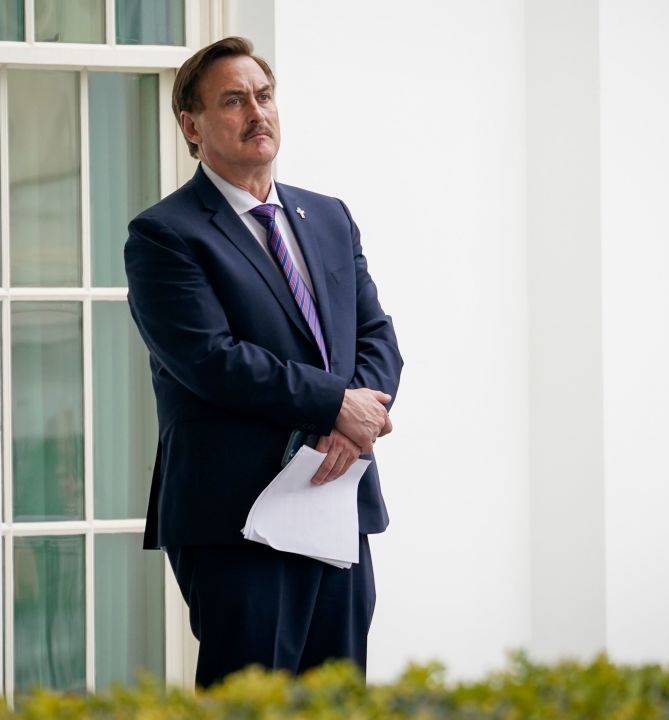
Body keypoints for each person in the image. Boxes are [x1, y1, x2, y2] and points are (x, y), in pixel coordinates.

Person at [124, 36, 403, 688]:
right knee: (252, 699)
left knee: (337, 697)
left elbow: (376, 335)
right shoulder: (166, 236)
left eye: (265, 95)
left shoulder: (329, 217)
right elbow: (211, 359)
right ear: (192, 126)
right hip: (235, 516)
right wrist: (335, 403)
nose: (258, 112)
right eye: (233, 100)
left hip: (336, 494)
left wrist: (351, 418)